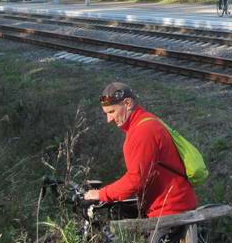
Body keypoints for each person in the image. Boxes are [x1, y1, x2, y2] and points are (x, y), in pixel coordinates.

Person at [85, 82, 198, 220]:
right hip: (169, 206)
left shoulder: (143, 131)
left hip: (171, 211)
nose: (109, 119)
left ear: (127, 103)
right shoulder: (143, 122)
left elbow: (136, 179)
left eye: (112, 112)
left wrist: (102, 194)